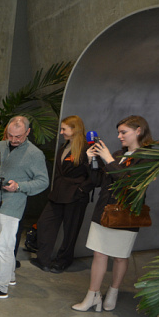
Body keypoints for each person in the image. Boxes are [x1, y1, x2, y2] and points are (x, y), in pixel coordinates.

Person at [72, 115, 154, 312]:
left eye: (123, 132)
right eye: (118, 132)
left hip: (126, 214)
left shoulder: (148, 157)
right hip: (104, 210)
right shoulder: (118, 154)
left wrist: (108, 158)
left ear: (139, 131)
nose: (119, 136)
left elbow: (128, 182)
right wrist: (92, 160)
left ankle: (113, 292)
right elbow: (98, 181)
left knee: (119, 256)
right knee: (98, 254)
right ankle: (92, 296)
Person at [0, 116, 49, 298]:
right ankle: (9, 275)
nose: (13, 140)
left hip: (13, 203)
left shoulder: (35, 154)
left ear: (28, 132)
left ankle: (1, 287)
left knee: (4, 246)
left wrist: (19, 186)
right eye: (10, 135)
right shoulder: (0, 146)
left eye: (18, 136)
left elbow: (43, 181)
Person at [31, 115, 94, 274]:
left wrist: (81, 190)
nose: (61, 132)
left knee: (70, 231)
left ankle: (63, 261)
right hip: (58, 194)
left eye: (64, 129)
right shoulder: (64, 146)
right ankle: (43, 259)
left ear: (74, 129)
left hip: (75, 197)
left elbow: (96, 176)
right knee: (45, 223)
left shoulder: (87, 149)